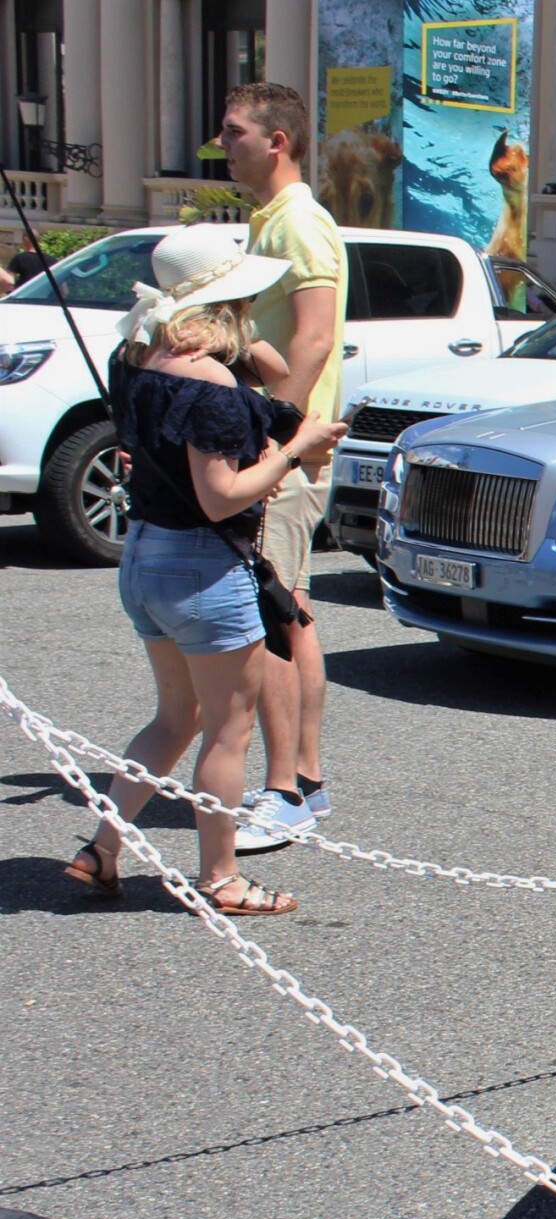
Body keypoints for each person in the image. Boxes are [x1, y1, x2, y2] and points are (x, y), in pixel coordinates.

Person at [61, 226, 346, 915]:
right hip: (203, 567)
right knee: (227, 727)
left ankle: (101, 849)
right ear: (227, 295)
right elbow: (222, 495)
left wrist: (237, 335)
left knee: (174, 716)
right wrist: (293, 449)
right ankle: (221, 877)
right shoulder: (212, 383)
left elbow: (274, 370)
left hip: (145, 557)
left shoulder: (138, 353)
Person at [222, 81, 347, 854]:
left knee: (273, 617)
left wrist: (278, 432)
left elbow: (314, 338)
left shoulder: (300, 223)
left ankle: (286, 790)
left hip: (282, 449)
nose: (223, 143)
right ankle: (305, 779)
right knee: (288, 610)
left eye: (235, 132)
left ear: (277, 140)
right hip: (280, 443)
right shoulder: (272, 221)